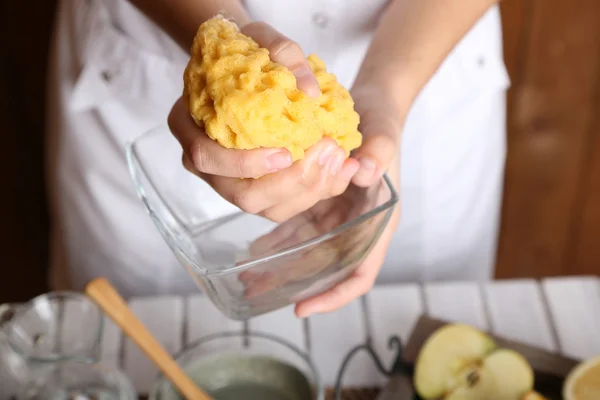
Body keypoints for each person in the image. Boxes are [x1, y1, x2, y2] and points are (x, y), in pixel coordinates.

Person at [45, 0, 510, 317]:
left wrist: (387, 92)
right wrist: (223, 45)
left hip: (423, 61)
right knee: (133, 341)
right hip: (145, 66)